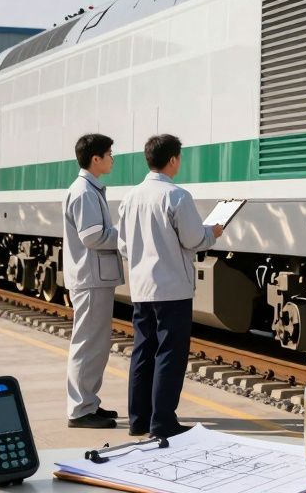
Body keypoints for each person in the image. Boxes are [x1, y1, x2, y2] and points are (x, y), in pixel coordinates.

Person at [118, 134, 223, 437]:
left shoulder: (130, 197)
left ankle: (139, 420)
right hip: (172, 289)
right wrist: (213, 232)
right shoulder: (177, 196)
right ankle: (162, 422)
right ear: (173, 159)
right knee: (169, 354)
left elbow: (123, 246)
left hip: (141, 288)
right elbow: (193, 239)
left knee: (142, 351)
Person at [64, 133, 122, 429]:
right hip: (91, 278)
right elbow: (92, 236)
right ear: (95, 159)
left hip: (94, 277)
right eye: (110, 154)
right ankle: (80, 410)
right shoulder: (85, 192)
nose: (113, 158)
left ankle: (88, 403)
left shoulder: (89, 189)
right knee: (88, 345)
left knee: (94, 345)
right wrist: (125, 236)